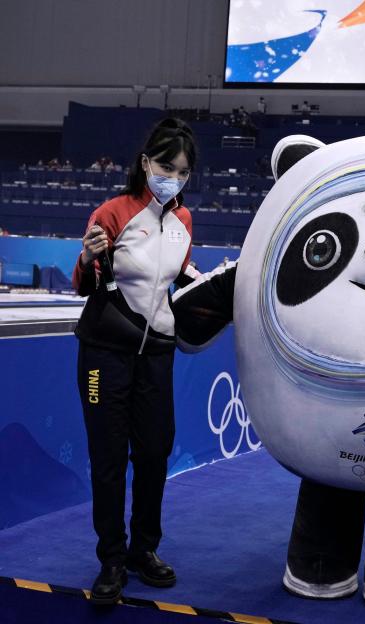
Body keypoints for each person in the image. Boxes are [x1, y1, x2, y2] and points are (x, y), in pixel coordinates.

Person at [71, 118, 198, 606]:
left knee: (152, 454)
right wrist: (86, 255)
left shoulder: (183, 221)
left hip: (157, 355)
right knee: (108, 458)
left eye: (182, 172)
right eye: (166, 166)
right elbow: (84, 283)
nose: (173, 177)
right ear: (146, 163)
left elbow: (181, 274)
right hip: (104, 355)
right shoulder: (113, 211)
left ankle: (145, 550)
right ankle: (111, 559)